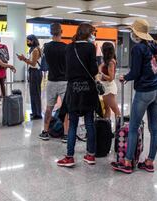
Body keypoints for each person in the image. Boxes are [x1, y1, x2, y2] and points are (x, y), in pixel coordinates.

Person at [111, 19, 157, 174]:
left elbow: (135, 72)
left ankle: (127, 162)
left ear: (136, 33)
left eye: (132, 31)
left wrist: (124, 77)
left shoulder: (138, 49)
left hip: (144, 92)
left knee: (133, 127)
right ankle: (149, 162)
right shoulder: (154, 46)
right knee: (154, 128)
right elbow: (156, 65)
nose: (131, 34)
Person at [56, 23, 99, 167]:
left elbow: (67, 69)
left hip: (73, 89)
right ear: (88, 34)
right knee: (89, 123)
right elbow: (93, 70)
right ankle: (91, 155)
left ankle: (69, 157)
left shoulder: (69, 47)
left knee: (73, 122)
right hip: (88, 89)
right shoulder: (90, 47)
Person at [38, 23, 69, 142]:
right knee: (65, 109)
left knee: (49, 108)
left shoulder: (47, 47)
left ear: (51, 32)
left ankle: (45, 131)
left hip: (51, 80)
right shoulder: (66, 48)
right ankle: (66, 134)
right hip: (64, 81)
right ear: (61, 32)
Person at [17, 34, 42, 120]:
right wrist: (24, 59)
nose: (28, 42)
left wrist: (24, 59)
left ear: (33, 41)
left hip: (36, 72)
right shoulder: (32, 49)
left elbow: (33, 63)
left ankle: (38, 113)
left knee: (36, 93)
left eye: (29, 41)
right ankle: (34, 112)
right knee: (32, 93)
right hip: (33, 72)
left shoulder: (35, 50)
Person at [98, 42, 121, 121]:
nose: (101, 49)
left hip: (108, 88)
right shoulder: (106, 61)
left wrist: (101, 74)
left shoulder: (111, 62)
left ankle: (119, 129)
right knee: (106, 109)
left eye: (102, 48)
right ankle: (106, 128)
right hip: (105, 86)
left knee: (116, 110)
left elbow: (111, 78)